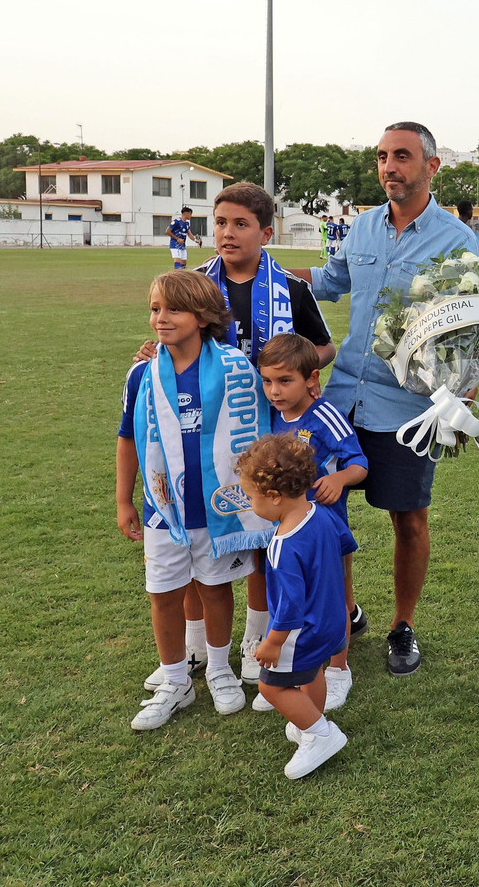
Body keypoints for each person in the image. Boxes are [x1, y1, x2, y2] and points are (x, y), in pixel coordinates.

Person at [286, 121, 479, 677]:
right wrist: (253, 268)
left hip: (406, 408)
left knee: (409, 520)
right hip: (343, 397)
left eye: (401, 156)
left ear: (431, 166)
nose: (389, 167)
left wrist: (465, 389)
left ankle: (402, 626)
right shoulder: (363, 227)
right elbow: (328, 282)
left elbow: (471, 326)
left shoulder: (456, 240)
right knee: (327, 513)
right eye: (381, 157)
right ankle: (345, 612)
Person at [135, 182, 337, 688]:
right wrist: (153, 351)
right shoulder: (196, 283)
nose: (227, 233)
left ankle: (254, 640)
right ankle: (198, 647)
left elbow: (324, 346)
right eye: (220, 222)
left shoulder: (289, 286)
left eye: (241, 224)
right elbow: (172, 337)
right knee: (198, 528)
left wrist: (278, 373)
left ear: (265, 232)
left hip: (266, 426)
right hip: (203, 431)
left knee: (258, 532)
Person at [117, 270, 273, 730]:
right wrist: (124, 501)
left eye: (172, 309)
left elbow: (264, 426)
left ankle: (220, 668)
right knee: (163, 594)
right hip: (163, 508)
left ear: (203, 317)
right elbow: (127, 438)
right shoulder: (142, 373)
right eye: (154, 309)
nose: (160, 318)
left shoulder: (235, 369)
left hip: (220, 509)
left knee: (214, 587)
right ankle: (175, 680)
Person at [258, 333, 369, 712]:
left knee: (335, 600)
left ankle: (339, 670)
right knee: (293, 599)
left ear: (312, 379)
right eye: (268, 381)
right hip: (286, 529)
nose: (274, 391)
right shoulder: (269, 413)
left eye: (285, 381)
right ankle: (296, 671)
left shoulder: (324, 416)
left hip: (325, 530)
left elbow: (359, 463)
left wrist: (338, 479)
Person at [238, 433, 353, 779]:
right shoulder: (322, 514)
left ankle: (320, 734)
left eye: (249, 496)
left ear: (273, 497)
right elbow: (346, 544)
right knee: (312, 671)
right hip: (332, 621)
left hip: (303, 630)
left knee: (270, 685)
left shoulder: (282, 545)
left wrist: (271, 642)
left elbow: (289, 606)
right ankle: (310, 722)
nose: (249, 502)